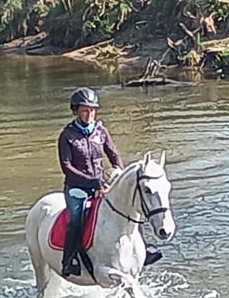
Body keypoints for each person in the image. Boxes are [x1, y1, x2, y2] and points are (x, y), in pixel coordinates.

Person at [57, 87, 161, 277]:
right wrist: (92, 182)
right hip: (77, 188)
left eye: (92, 110)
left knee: (132, 209)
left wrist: (119, 174)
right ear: (75, 111)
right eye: (85, 110)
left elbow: (114, 155)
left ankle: (144, 250)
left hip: (102, 185)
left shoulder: (101, 132)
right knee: (76, 219)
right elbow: (67, 167)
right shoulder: (67, 136)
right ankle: (69, 261)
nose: (89, 114)